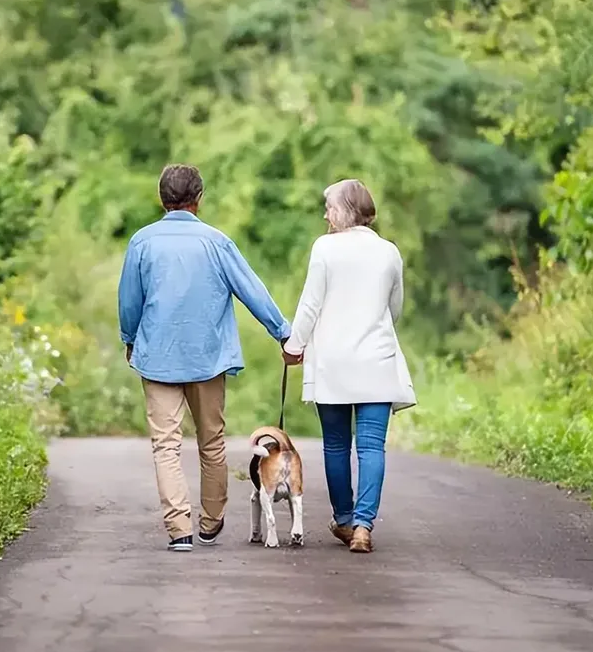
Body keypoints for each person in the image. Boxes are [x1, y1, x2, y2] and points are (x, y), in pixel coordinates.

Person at [118, 164, 291, 552]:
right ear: (199, 199)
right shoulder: (217, 242)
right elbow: (251, 290)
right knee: (211, 441)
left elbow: (129, 301)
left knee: (166, 445)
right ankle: (211, 522)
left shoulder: (142, 242)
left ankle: (179, 528)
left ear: (162, 199)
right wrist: (283, 331)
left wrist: (130, 339)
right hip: (207, 357)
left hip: (157, 356)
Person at [282, 179, 416, 553]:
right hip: (376, 359)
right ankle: (363, 526)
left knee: (337, 445)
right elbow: (396, 309)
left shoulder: (325, 248)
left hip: (334, 362)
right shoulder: (389, 252)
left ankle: (343, 519)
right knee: (372, 446)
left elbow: (310, 304)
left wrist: (294, 346)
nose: (325, 214)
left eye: (329, 207)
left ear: (344, 210)